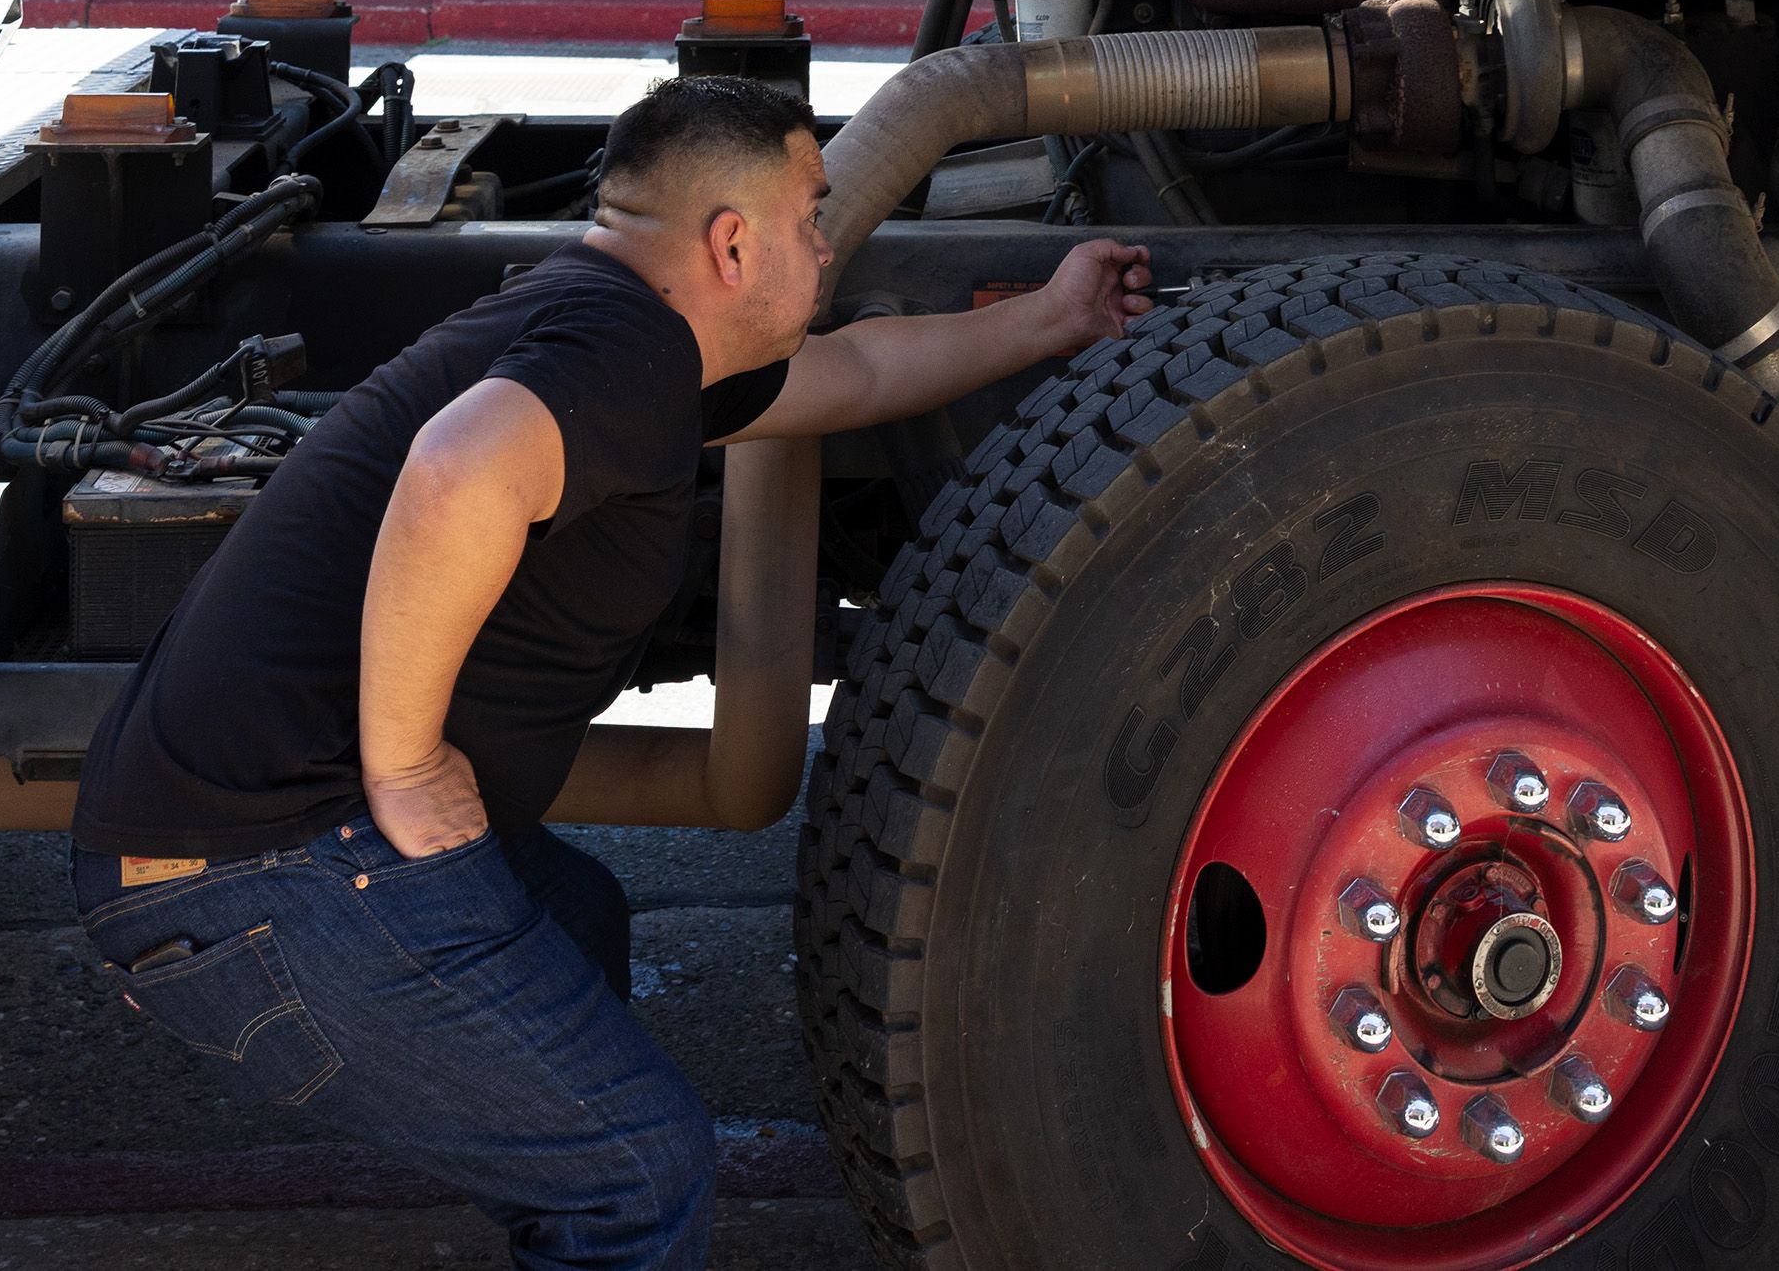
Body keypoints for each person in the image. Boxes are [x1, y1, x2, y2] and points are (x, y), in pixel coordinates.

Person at [70, 74, 1151, 1271]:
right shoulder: (625, 345)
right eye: (810, 216)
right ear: (731, 244)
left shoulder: (620, 329)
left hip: (224, 840)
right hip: (257, 864)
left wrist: (1052, 317)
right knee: (639, 1172)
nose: (822, 240)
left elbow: (853, 374)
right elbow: (459, 470)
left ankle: (526, 1148)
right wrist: (410, 763)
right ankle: (561, 1181)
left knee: (574, 916)